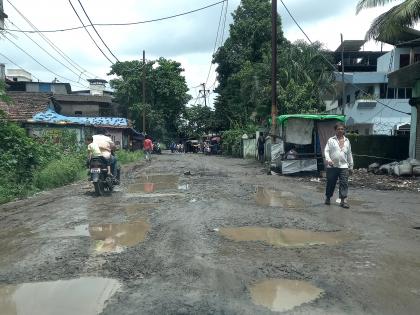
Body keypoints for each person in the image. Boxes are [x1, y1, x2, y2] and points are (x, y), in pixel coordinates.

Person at [324, 122, 354, 208]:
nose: (340, 130)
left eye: (342, 129)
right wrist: (328, 160)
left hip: (344, 166)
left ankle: (343, 200)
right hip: (332, 166)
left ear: (344, 130)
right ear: (335, 130)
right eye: (338, 129)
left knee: (344, 183)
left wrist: (351, 166)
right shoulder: (331, 140)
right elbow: (326, 151)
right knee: (331, 183)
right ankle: (328, 198)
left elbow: (349, 154)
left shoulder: (347, 141)